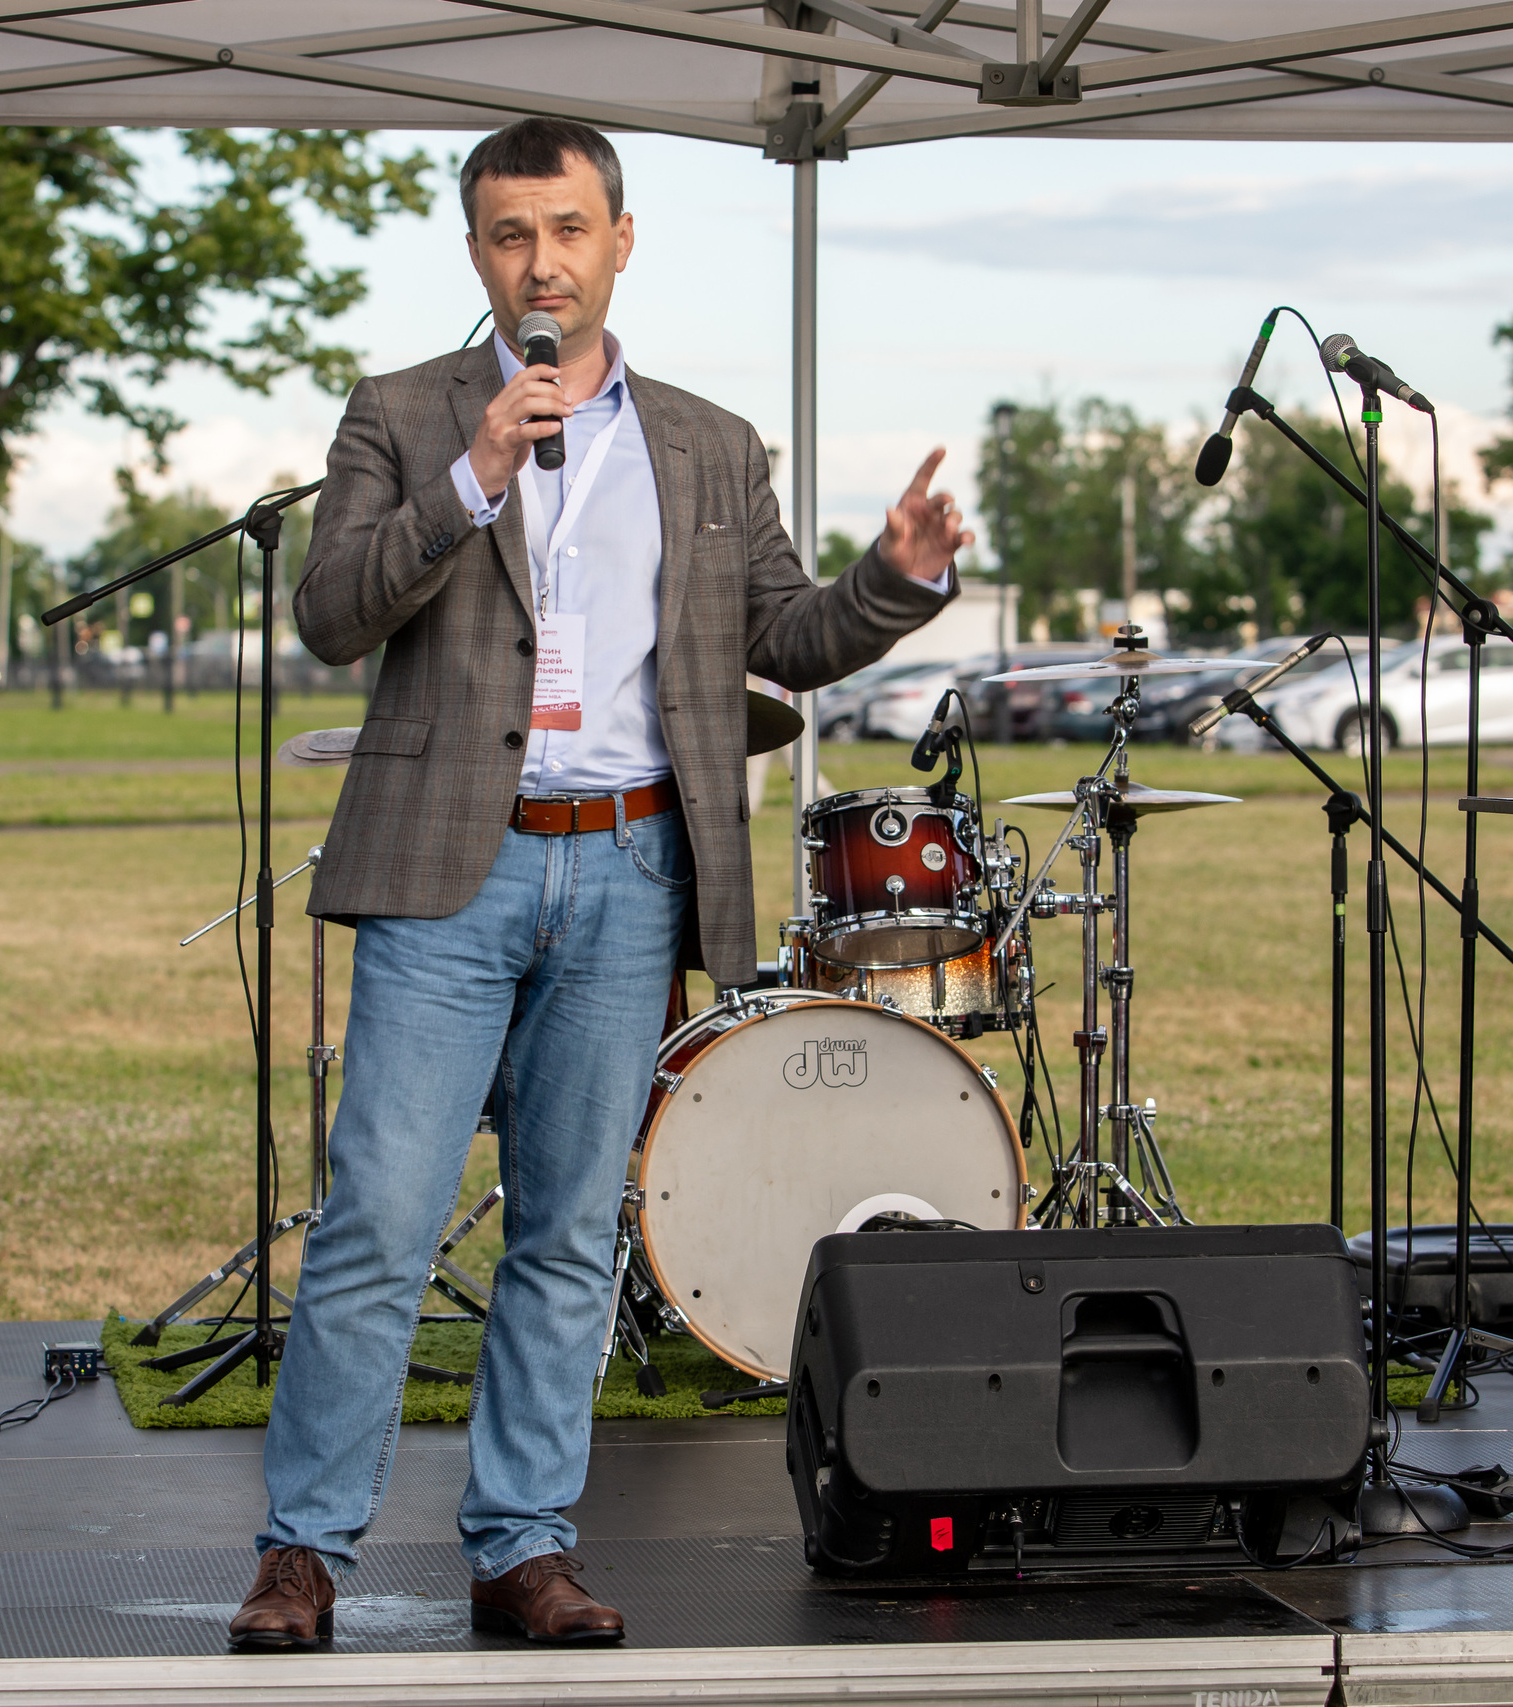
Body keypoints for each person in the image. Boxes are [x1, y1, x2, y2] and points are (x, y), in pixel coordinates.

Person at [229, 116, 968, 1652]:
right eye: (511, 235)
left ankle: (523, 1547)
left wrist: (896, 577)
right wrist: (477, 473)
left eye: (568, 230)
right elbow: (333, 613)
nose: (541, 263)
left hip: (629, 868)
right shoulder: (402, 415)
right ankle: (304, 1554)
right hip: (448, 873)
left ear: (620, 243)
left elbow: (789, 638)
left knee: (568, 1233)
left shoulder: (710, 445)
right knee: (379, 1224)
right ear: (477, 254)